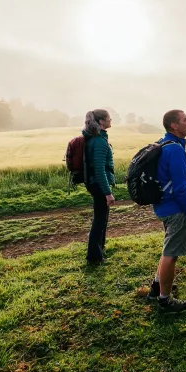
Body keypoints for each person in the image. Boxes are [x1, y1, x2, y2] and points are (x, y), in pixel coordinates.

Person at [146, 109, 186, 313]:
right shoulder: (175, 150)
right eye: (185, 120)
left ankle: (156, 286)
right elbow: (180, 189)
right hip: (175, 209)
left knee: (168, 250)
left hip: (163, 205)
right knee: (171, 254)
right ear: (174, 126)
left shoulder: (164, 143)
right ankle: (165, 300)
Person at [84, 109, 115, 264]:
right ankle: (94, 257)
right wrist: (108, 192)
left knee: (101, 218)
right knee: (99, 220)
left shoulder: (95, 139)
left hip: (95, 184)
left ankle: (99, 251)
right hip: (99, 185)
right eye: (109, 118)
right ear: (101, 122)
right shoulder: (99, 142)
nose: (111, 120)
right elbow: (99, 170)